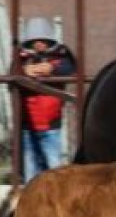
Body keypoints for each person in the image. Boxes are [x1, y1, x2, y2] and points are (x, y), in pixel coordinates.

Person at [17, 16, 77, 182]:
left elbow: (70, 67)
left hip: (51, 124)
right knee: (31, 172)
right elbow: (11, 71)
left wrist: (51, 68)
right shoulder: (21, 57)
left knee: (53, 169)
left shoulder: (60, 53)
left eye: (43, 40)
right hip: (27, 123)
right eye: (35, 41)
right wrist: (25, 71)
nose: (39, 44)